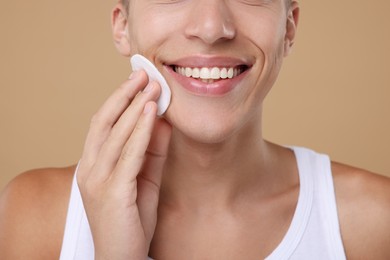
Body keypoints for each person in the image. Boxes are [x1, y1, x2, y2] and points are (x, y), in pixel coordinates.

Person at [0, 0, 389, 259]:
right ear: (122, 25)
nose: (211, 27)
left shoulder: (374, 223)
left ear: (288, 27)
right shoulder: (34, 217)